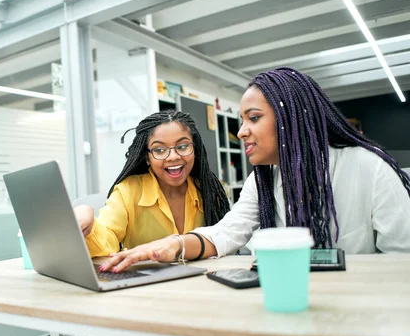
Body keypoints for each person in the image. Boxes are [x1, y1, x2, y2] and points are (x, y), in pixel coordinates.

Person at [97, 67, 410, 273]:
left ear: (292, 118)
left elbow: (402, 266)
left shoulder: (371, 169)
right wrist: (173, 245)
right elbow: (227, 232)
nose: (241, 132)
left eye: (254, 118)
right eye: (241, 121)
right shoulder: (262, 181)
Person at [73, 110, 230, 336]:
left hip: (200, 301)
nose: (173, 157)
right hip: (144, 302)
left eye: (182, 146)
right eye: (159, 150)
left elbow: (225, 243)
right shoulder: (128, 191)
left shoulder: (209, 191)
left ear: (195, 149)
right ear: (146, 157)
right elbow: (105, 244)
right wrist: (86, 217)